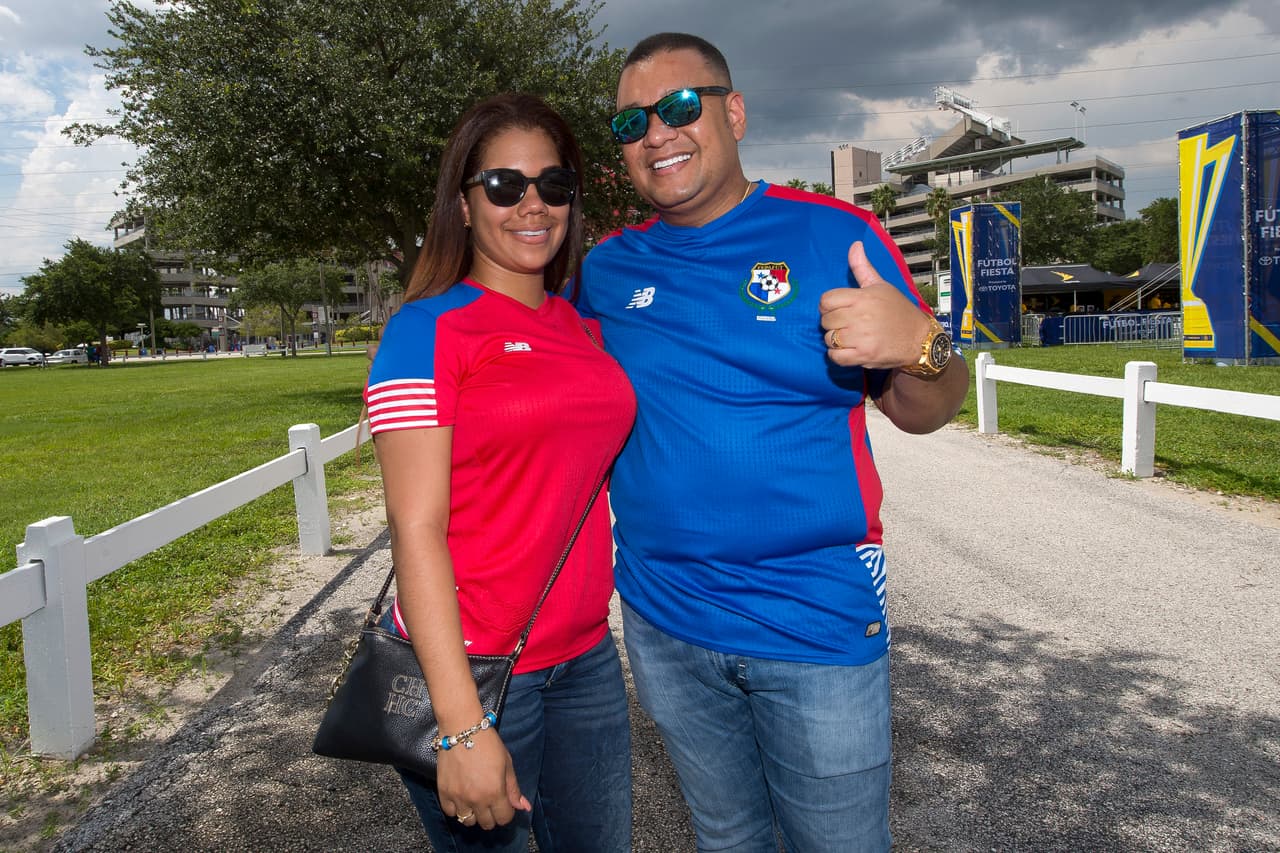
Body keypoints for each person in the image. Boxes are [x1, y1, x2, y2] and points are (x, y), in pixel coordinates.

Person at [575, 33, 969, 852]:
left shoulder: (836, 236)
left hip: (815, 619)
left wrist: (921, 345)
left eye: (680, 107)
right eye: (630, 124)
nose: (657, 133)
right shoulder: (606, 271)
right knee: (727, 840)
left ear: (734, 112)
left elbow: (928, 408)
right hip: (666, 620)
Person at [364, 93, 635, 853]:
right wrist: (461, 726)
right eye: (505, 186)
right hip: (475, 673)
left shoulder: (583, 327)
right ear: (464, 200)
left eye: (553, 185)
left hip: (585, 661)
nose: (532, 205)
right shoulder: (427, 330)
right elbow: (414, 530)